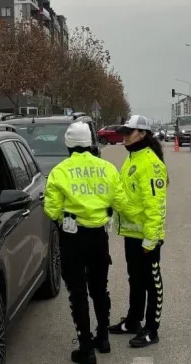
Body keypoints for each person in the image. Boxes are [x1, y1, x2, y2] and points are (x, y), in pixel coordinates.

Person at [44, 122, 140, 364]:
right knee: (99, 288)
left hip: (72, 237)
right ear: (90, 143)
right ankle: (103, 338)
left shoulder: (59, 171)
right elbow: (121, 202)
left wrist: (63, 218)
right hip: (99, 237)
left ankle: (85, 348)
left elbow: (51, 209)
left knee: (77, 292)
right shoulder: (107, 169)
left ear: (68, 145)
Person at [109, 114, 168, 348]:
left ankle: (151, 330)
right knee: (135, 280)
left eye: (129, 132)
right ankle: (133, 321)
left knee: (152, 284)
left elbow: (156, 206)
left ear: (142, 134)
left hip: (146, 237)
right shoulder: (133, 158)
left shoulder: (151, 164)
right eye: (123, 132)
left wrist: (151, 240)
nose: (124, 136)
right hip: (132, 234)